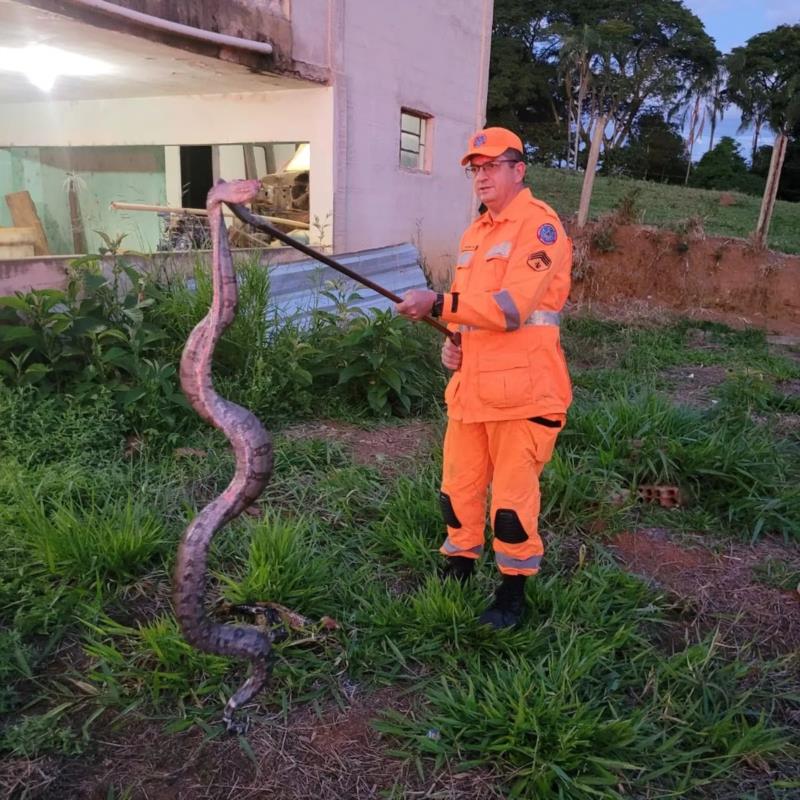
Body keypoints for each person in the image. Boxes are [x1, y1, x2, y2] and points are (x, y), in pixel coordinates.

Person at [396, 126, 572, 629]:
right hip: (472, 388)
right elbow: (468, 315)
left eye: (492, 166)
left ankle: (512, 595)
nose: (481, 177)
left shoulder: (541, 228)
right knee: (458, 488)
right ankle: (459, 568)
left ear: (520, 170)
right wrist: (452, 341)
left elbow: (513, 308)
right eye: (476, 168)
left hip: (523, 391)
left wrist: (439, 302)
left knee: (513, 503)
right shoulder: (476, 232)